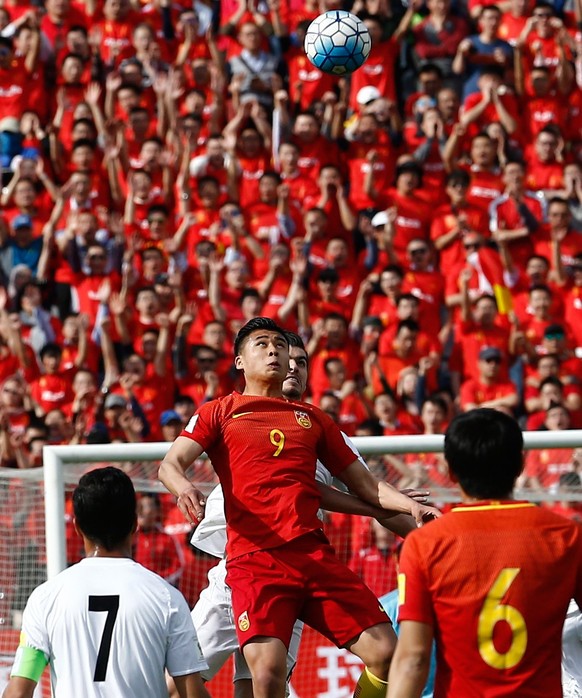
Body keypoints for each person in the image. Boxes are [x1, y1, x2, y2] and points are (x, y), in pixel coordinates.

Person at [159, 316, 439, 698]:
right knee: (235, 678)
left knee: (387, 651)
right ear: (239, 361)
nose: (277, 352)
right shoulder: (221, 411)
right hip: (246, 564)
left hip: (310, 555)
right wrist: (184, 487)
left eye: (283, 347)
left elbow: (367, 488)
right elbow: (170, 464)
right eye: (262, 343)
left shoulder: (315, 422)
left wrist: (413, 510)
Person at [387, 409, 582, 697]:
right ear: (521, 464)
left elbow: (413, 659)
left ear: (451, 472)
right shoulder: (566, 536)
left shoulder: (424, 545)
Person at [2, 467, 210, 698]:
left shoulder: (46, 598)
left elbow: (18, 692)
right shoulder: (166, 597)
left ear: (77, 527)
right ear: (135, 524)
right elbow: (192, 693)